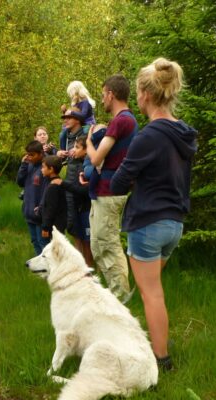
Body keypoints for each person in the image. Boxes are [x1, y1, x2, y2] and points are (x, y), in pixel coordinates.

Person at [110, 58, 198, 371]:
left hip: (148, 223)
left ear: (146, 95)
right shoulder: (184, 134)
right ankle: (159, 339)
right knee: (155, 289)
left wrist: (129, 171)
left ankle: (161, 360)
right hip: (174, 224)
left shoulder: (148, 136)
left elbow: (120, 182)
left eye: (138, 93)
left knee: (151, 294)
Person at [84, 74, 139, 304]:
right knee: (98, 245)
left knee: (107, 245)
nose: (102, 100)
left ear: (111, 94)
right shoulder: (126, 121)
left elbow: (96, 158)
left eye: (103, 94)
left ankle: (121, 300)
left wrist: (88, 142)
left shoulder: (121, 121)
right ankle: (114, 297)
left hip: (110, 193)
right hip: (103, 193)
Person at [61, 135, 92, 266]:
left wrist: (64, 184)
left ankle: (92, 269)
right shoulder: (80, 164)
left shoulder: (89, 167)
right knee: (81, 239)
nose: (74, 150)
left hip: (87, 209)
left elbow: (86, 191)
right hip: (78, 208)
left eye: (77, 147)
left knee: (88, 242)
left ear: (86, 150)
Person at [16, 140, 46, 255]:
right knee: (35, 241)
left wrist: (41, 208)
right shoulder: (28, 165)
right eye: (27, 154)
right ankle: (40, 268)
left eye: (32, 155)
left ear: (41, 153)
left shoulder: (45, 167)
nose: (29, 157)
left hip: (40, 214)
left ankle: (48, 269)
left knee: (43, 242)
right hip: (29, 211)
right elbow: (20, 182)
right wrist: (23, 165)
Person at [59, 81, 96, 151]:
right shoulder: (76, 103)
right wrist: (65, 111)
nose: (70, 96)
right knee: (62, 134)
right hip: (80, 122)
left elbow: (83, 115)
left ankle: (87, 149)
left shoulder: (85, 102)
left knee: (85, 134)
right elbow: (73, 115)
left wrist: (71, 112)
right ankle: (63, 151)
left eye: (71, 93)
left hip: (87, 123)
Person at [39, 155, 67, 242]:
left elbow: (51, 208)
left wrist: (45, 227)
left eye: (43, 167)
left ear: (51, 169)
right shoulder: (57, 182)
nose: (41, 169)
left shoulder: (53, 186)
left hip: (55, 226)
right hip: (58, 224)